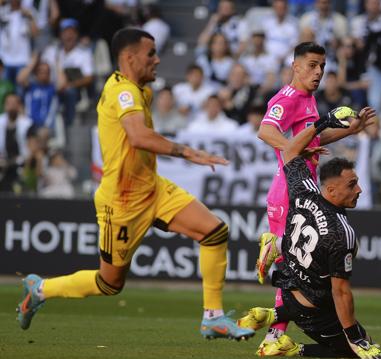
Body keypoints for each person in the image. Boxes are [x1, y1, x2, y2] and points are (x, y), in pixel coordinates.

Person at [16, 28, 255, 341]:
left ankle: (213, 318)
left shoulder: (141, 90)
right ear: (129, 58)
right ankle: (41, 289)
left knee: (214, 232)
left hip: (152, 188)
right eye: (151, 54)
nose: (157, 60)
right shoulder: (123, 93)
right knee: (109, 284)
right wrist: (188, 153)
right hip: (123, 201)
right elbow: (139, 137)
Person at [238, 106, 381, 359]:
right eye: (352, 185)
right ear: (331, 189)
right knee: (350, 348)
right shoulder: (342, 233)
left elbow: (289, 150)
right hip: (310, 308)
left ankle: (275, 306)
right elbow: (341, 292)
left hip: (287, 283)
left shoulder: (305, 190)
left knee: (316, 279)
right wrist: (355, 338)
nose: (359, 190)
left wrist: (324, 121)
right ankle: (291, 345)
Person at [253, 42, 370, 356]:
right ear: (296, 66)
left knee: (296, 267)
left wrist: (349, 131)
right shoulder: (287, 97)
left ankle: (274, 336)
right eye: (312, 65)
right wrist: (294, 149)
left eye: (322, 67)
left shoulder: (309, 99)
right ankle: (274, 247)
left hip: (302, 188)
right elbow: (265, 131)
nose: (318, 72)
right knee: (293, 267)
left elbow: (315, 138)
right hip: (287, 190)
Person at [41, 18, 94, 128]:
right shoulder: (52, 51)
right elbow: (42, 70)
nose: (69, 36)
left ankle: (70, 124)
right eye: (65, 32)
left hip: (74, 90)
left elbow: (89, 78)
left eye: (72, 33)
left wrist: (69, 85)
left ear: (77, 35)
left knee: (70, 92)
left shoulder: (83, 53)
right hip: (52, 88)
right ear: (60, 35)